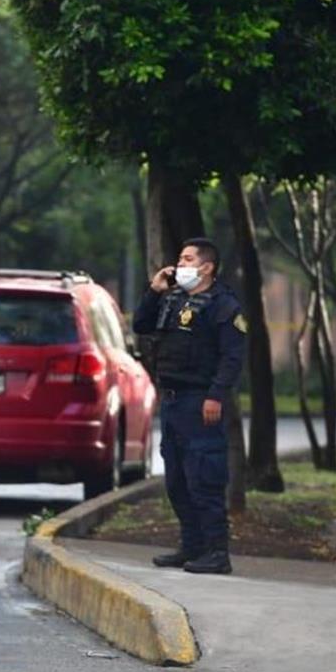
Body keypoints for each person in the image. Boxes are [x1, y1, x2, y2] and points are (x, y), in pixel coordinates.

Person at [132, 237, 247, 574]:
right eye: (179, 259)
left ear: (206, 266)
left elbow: (232, 357)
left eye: (186, 259)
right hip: (172, 401)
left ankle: (216, 552)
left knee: (204, 478)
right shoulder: (173, 299)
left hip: (201, 402)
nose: (179, 265)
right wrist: (154, 291)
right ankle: (191, 546)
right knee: (177, 480)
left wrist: (215, 395)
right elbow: (141, 324)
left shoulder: (223, 305)